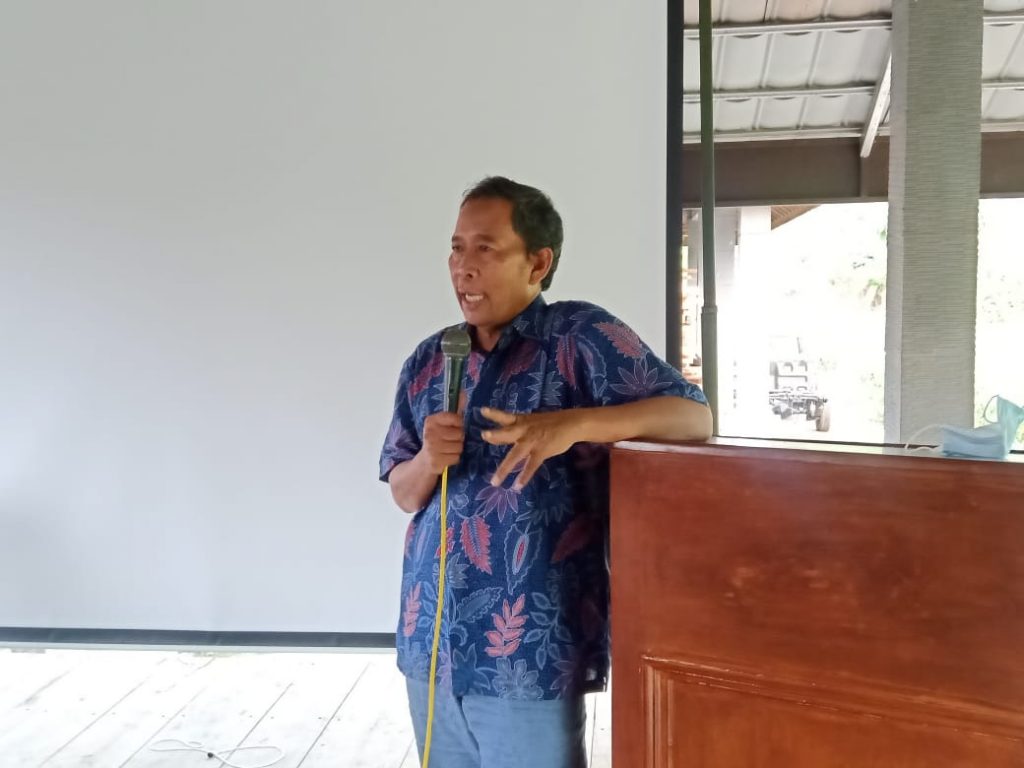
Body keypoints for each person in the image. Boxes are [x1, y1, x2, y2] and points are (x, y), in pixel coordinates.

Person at [380, 176, 711, 768]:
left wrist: (573, 425)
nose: (463, 267)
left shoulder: (578, 337)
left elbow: (692, 418)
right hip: (432, 642)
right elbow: (405, 495)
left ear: (538, 262)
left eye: (486, 248)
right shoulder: (431, 359)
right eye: (456, 248)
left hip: (529, 652)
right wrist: (429, 460)